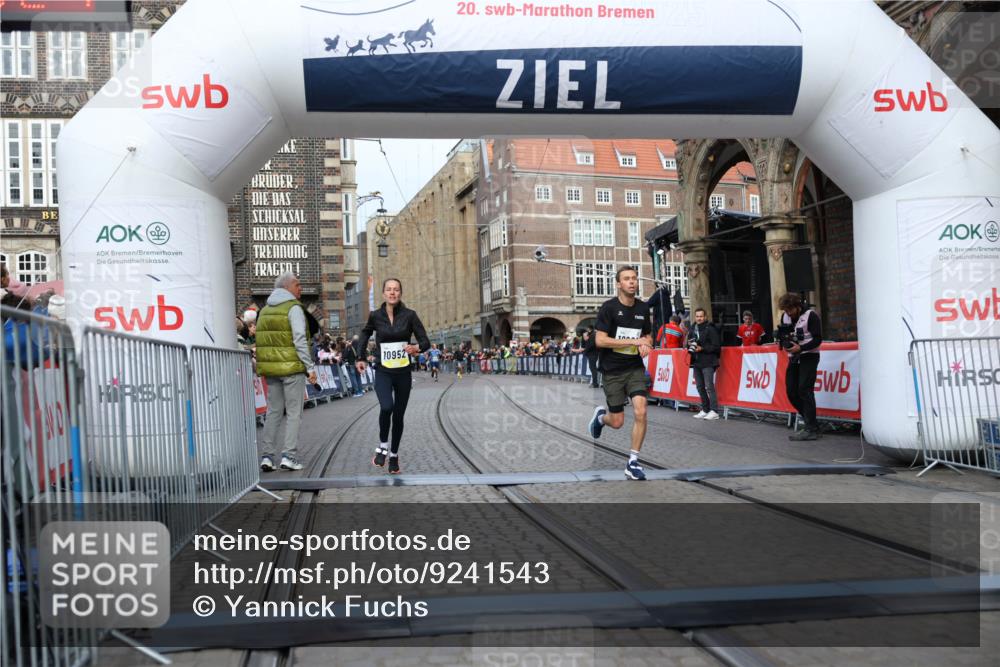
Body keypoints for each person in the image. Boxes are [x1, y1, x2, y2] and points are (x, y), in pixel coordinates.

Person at [356, 278, 430, 474]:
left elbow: (425, 341)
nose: (392, 293)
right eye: (389, 289)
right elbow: (364, 335)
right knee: (386, 406)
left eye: (396, 289)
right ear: (383, 293)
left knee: (398, 415)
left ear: (400, 293)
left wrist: (416, 347)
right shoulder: (375, 316)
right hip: (383, 370)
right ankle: (382, 446)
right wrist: (360, 357)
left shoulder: (410, 315)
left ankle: (394, 455)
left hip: (403, 372)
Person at [587, 266, 653, 481]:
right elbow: (600, 340)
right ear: (618, 284)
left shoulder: (643, 308)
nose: (632, 282)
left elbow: (648, 336)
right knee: (617, 422)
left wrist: (646, 344)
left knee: (641, 411)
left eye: (634, 278)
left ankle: (633, 462)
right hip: (612, 370)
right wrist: (634, 341)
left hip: (634, 368)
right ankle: (601, 418)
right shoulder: (609, 308)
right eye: (626, 279)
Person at [256, 272, 317, 472]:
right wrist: (310, 367)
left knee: (273, 412)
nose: (300, 288)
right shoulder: (294, 308)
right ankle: (289, 455)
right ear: (287, 287)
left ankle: (267, 456)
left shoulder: (264, 310)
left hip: (272, 370)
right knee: (293, 413)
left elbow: (261, 341)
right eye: (297, 284)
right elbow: (300, 339)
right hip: (292, 369)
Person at [778, 292, 823, 441]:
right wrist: (782, 340)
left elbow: (818, 339)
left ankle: (811, 428)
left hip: (809, 355)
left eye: (790, 309)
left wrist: (801, 348)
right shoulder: (785, 316)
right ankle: (812, 423)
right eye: (786, 310)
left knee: (805, 389)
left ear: (798, 306)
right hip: (794, 357)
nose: (788, 313)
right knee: (791, 391)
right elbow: (785, 335)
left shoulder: (811, 316)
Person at [688, 308, 721, 420]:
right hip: (696, 361)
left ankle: (714, 411)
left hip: (708, 361)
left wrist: (702, 348)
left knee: (709, 386)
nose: (699, 318)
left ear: (705, 317)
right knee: (700, 387)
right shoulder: (693, 328)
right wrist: (689, 345)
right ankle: (705, 409)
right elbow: (689, 343)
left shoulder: (710, 329)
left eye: (701, 316)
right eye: (697, 316)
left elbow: (716, 347)